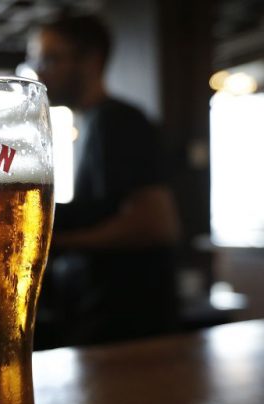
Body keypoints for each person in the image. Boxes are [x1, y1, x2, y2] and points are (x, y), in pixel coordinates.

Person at [28, 14, 182, 346]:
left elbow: (156, 225)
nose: (40, 71)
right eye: (36, 61)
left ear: (91, 59)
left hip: (130, 331)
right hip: (106, 325)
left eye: (50, 58)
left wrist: (52, 243)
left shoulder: (118, 121)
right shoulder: (92, 125)